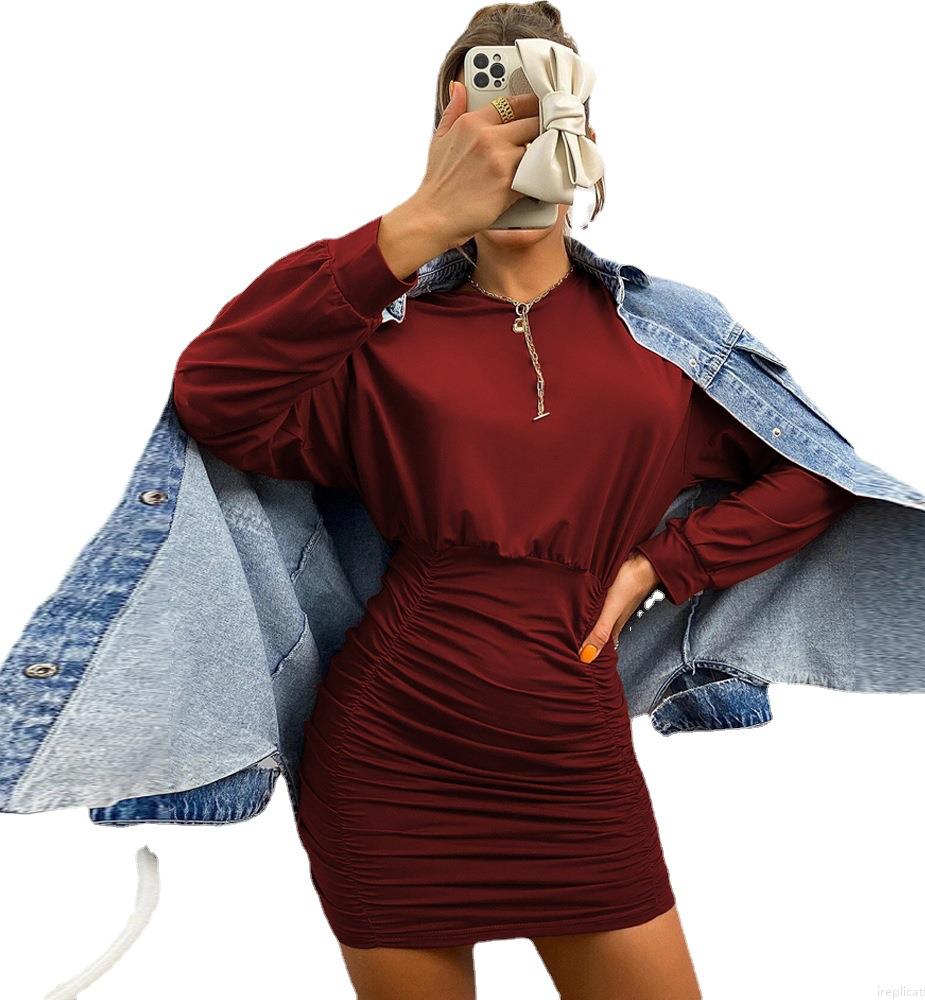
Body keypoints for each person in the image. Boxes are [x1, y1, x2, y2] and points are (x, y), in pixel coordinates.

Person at [170, 5, 858, 998]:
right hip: (389, 753)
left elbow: (817, 473)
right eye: (485, 127)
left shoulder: (665, 336)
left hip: (571, 753)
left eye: (541, 120)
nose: (513, 150)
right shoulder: (381, 340)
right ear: (445, 148)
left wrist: (659, 565)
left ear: (585, 138)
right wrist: (411, 227)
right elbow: (216, 396)